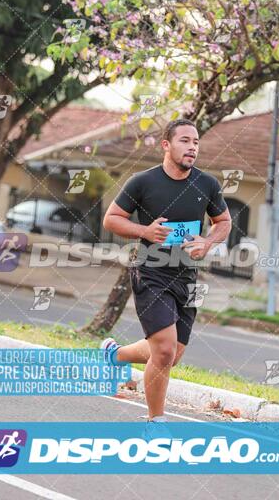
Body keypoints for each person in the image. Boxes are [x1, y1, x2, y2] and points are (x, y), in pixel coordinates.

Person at [102, 119, 231, 431]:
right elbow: (111, 219)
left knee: (170, 355)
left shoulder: (206, 184)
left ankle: (115, 355)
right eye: (185, 141)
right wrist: (144, 230)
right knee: (163, 349)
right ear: (166, 145)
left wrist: (208, 242)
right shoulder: (142, 182)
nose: (192, 147)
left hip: (186, 276)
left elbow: (223, 221)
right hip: (150, 270)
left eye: (196, 142)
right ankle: (155, 423)